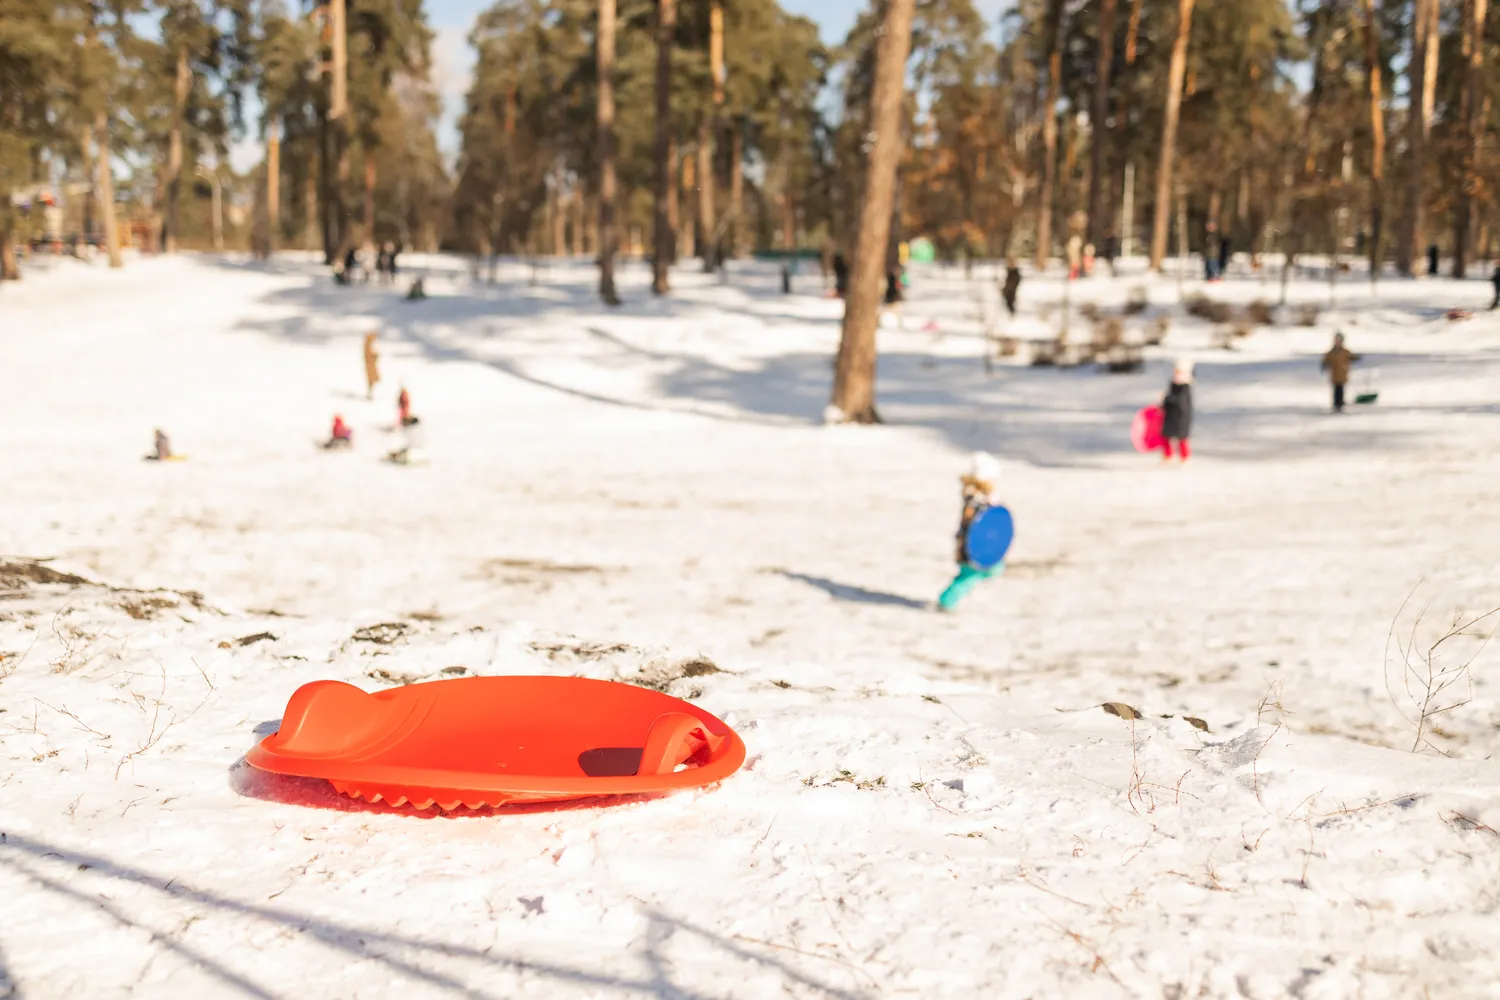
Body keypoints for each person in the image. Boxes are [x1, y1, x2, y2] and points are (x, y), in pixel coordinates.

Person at [937, 453, 1005, 612]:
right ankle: (946, 601)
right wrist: (989, 505)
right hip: (970, 548)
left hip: (972, 547)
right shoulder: (975, 500)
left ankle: (948, 600)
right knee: (969, 575)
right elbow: (977, 524)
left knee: (972, 574)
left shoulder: (977, 497)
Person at [1160, 360, 1194, 462]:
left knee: (1182, 437)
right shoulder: (1173, 384)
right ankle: (1168, 455)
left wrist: (1169, 398)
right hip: (1170, 415)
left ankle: (1184, 456)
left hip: (1181, 417)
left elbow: (1181, 402)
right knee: (1166, 436)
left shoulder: (1185, 386)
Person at [1321, 332, 1361, 413]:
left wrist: (1357, 357)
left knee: (1341, 389)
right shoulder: (1331, 352)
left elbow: (1351, 356)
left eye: (1339, 340)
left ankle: (1340, 404)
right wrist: (1324, 364)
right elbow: (1326, 359)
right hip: (1334, 375)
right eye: (1336, 340)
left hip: (1342, 374)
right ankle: (1336, 404)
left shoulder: (1344, 351)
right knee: (1336, 390)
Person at [363, 332, 381, 400]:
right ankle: (370, 395)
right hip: (370, 367)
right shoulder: (367, 345)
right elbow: (369, 356)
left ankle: (371, 394)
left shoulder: (368, 345)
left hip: (371, 366)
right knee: (370, 381)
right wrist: (375, 355)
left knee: (371, 381)